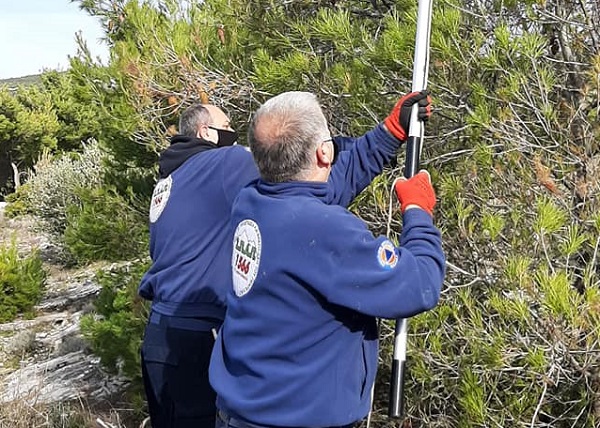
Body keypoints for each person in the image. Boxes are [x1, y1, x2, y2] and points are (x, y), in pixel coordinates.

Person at [138, 90, 430, 428]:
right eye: (226, 125)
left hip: (164, 337)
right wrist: (380, 145)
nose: (232, 135)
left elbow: (291, 173)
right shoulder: (223, 164)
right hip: (196, 337)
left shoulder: (179, 179)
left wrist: (388, 133)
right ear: (205, 133)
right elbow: (309, 181)